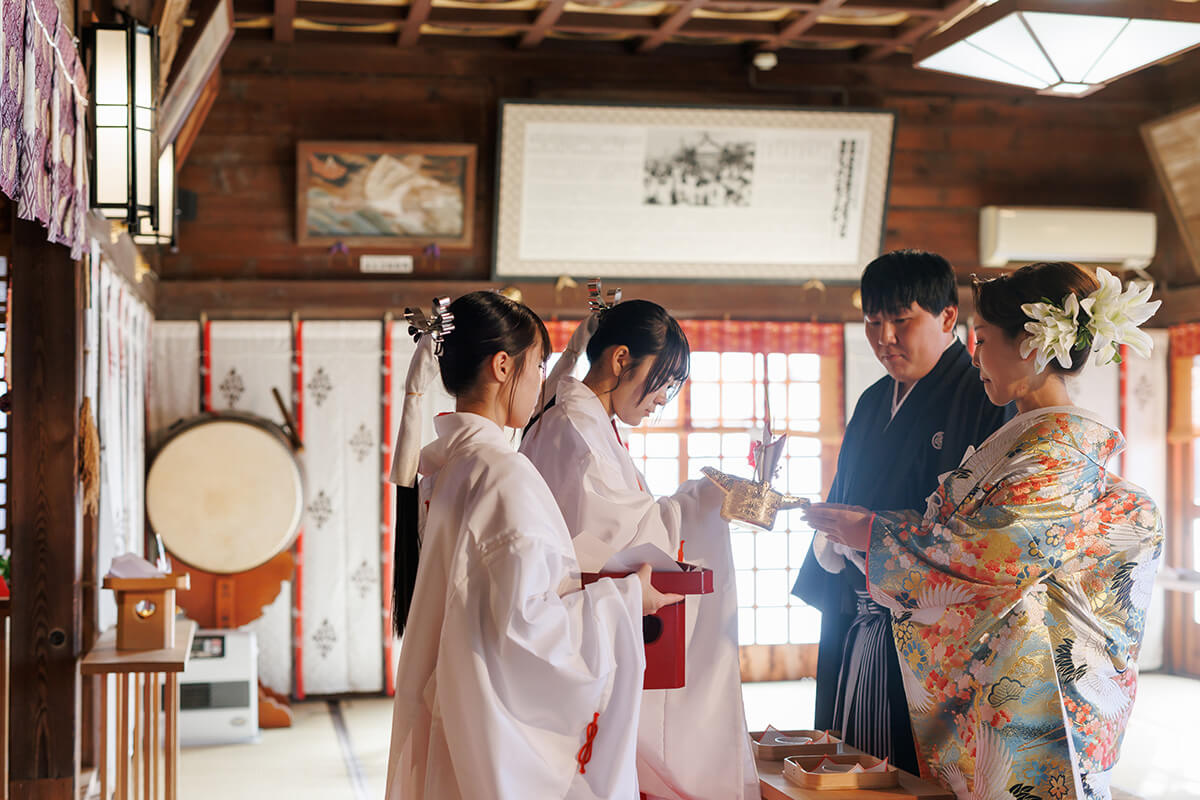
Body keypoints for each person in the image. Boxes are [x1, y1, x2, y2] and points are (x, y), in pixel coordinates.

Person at [804, 262, 1164, 800]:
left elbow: (989, 553)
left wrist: (876, 536)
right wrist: (872, 531)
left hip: (1035, 682)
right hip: (989, 669)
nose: (974, 356)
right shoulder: (1023, 437)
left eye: (984, 339)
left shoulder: (1058, 449)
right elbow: (964, 532)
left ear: (1032, 346)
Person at [385, 291, 682, 800]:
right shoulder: (501, 473)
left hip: (455, 699)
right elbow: (528, 628)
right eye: (539, 365)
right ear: (503, 367)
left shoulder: (449, 466)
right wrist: (629, 598)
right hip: (485, 718)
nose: (544, 380)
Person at [521, 299, 758, 800]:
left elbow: (626, 518)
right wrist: (705, 499)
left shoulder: (580, 420)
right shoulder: (574, 429)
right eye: (663, 381)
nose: (662, 399)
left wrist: (701, 499)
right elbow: (619, 536)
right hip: (574, 619)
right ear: (621, 358)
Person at [792, 250, 1012, 774]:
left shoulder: (982, 397)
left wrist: (872, 535)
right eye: (873, 322)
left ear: (948, 317)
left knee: (912, 771)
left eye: (900, 320)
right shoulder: (873, 401)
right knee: (855, 759)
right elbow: (846, 492)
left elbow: (982, 533)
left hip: (932, 632)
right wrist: (831, 531)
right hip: (859, 615)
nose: (884, 338)